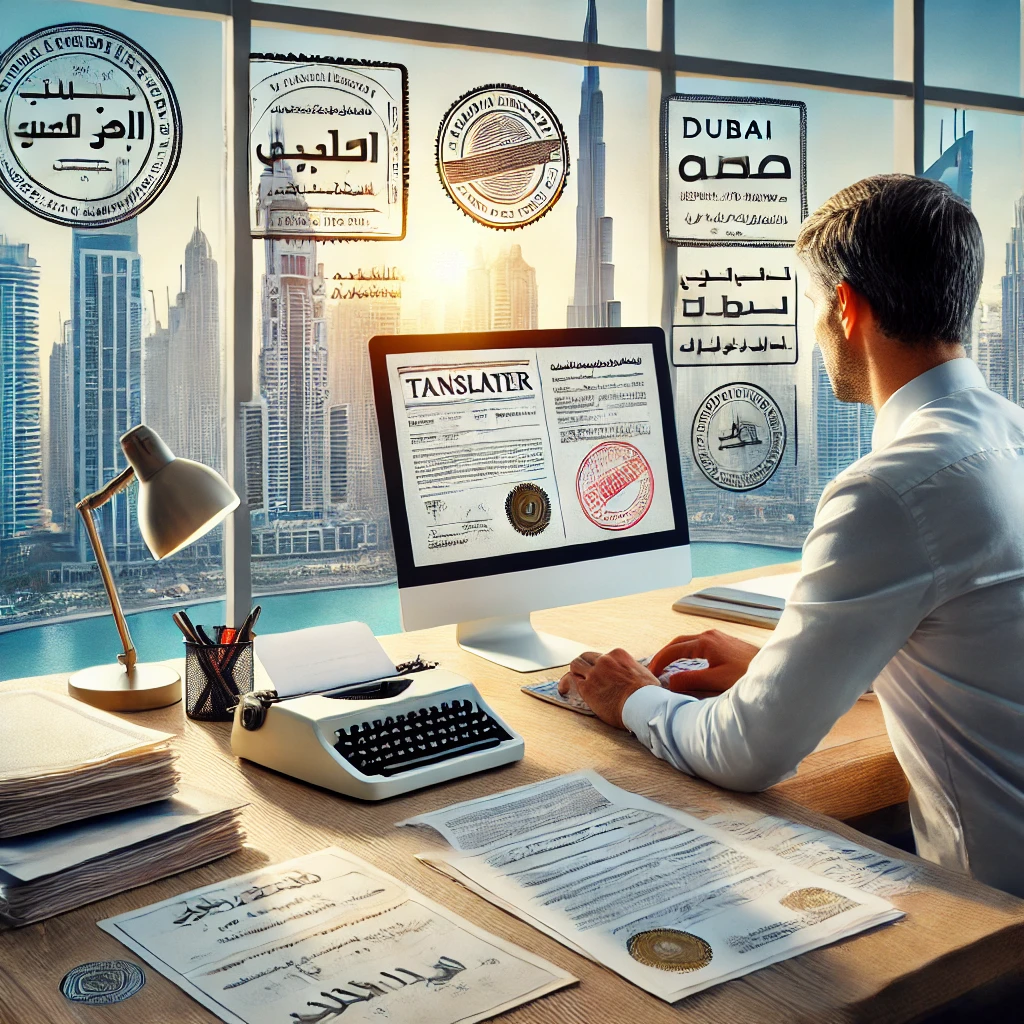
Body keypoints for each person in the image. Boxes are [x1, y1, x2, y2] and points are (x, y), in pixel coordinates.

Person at [559, 174, 1024, 897]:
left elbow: (747, 755)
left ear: (847, 307)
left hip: (993, 930)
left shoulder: (891, 490)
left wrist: (632, 698)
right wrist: (783, 665)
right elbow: (985, 640)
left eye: (813, 309)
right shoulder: (1012, 437)